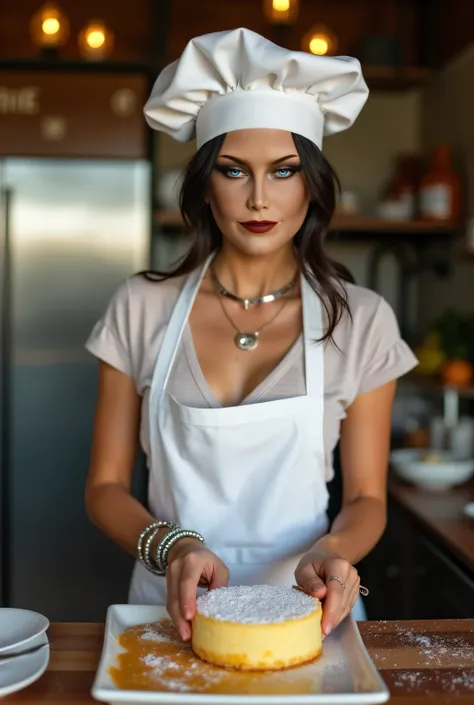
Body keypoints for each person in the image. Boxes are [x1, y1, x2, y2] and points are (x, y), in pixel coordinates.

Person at [84, 27, 418, 643]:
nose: (259, 197)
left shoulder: (363, 319)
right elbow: (104, 486)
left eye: (284, 171)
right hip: (168, 614)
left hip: (311, 616)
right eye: (235, 171)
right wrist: (174, 546)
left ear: (311, 185)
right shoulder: (140, 305)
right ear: (205, 186)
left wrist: (336, 553)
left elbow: (367, 495)